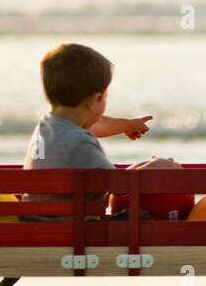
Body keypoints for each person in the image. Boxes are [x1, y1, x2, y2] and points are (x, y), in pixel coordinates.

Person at [21, 42, 179, 221]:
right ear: (96, 99)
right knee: (141, 218)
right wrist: (155, 167)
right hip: (70, 230)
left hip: (38, 222)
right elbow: (119, 186)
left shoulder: (48, 127)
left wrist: (126, 125)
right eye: (105, 96)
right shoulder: (79, 142)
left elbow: (96, 125)